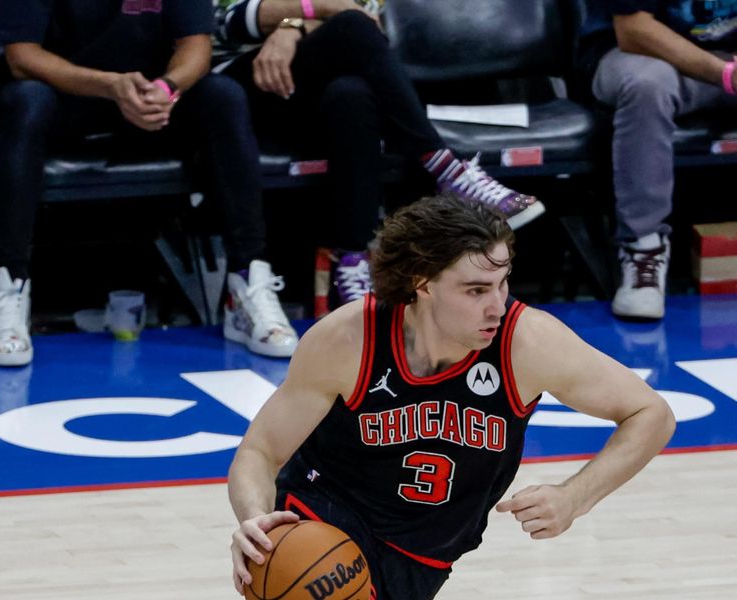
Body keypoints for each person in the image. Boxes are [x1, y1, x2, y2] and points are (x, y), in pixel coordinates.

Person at [227, 194, 675, 599]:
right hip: (324, 513)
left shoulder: (529, 344)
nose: (497, 305)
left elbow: (650, 413)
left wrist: (575, 497)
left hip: (425, 550)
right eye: (476, 290)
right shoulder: (348, 339)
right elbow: (260, 452)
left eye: (503, 283)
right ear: (422, 283)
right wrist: (255, 521)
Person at [0, 0, 298, 366]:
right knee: (28, 100)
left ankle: (247, 282)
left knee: (223, 96)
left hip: (142, 93)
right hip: (58, 92)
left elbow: (195, 45)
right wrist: (110, 86)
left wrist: (168, 88)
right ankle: (9, 287)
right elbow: (22, 58)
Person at [213, 0, 545, 307]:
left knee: (352, 92)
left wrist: (291, 26)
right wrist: (316, 12)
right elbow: (229, 21)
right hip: (238, 92)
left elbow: (372, 21)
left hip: (319, 92)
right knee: (352, 28)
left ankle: (354, 262)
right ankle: (448, 169)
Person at [577, 0, 737, 319]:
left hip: (726, 59)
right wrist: (726, 74)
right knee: (648, 85)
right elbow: (634, 31)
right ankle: (643, 251)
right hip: (639, 56)